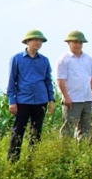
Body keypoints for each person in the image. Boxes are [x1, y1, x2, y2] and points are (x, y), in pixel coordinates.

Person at [6, 30, 55, 162]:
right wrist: (12, 101)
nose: (38, 43)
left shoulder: (44, 60)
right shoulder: (16, 59)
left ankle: (33, 160)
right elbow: (12, 81)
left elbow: (47, 80)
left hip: (40, 100)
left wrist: (51, 100)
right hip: (23, 100)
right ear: (28, 41)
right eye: (36, 40)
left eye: (40, 41)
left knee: (36, 132)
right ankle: (12, 161)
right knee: (18, 131)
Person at [56, 30, 92, 142]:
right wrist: (65, 96)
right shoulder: (64, 60)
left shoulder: (88, 59)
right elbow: (60, 80)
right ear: (68, 43)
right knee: (69, 128)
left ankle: (82, 152)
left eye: (80, 42)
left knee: (85, 128)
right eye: (75, 42)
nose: (78, 45)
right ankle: (65, 153)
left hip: (87, 98)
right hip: (72, 99)